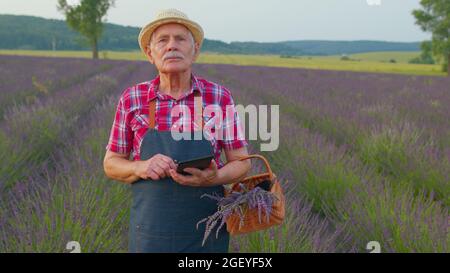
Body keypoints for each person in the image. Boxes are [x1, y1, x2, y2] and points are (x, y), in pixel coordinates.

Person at [103, 8, 251, 253]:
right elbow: (111, 163)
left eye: (181, 39)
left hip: (207, 235)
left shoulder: (218, 97)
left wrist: (214, 178)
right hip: (150, 234)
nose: (172, 46)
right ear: (150, 54)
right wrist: (140, 166)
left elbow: (242, 163)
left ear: (195, 50)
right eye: (163, 40)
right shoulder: (133, 99)